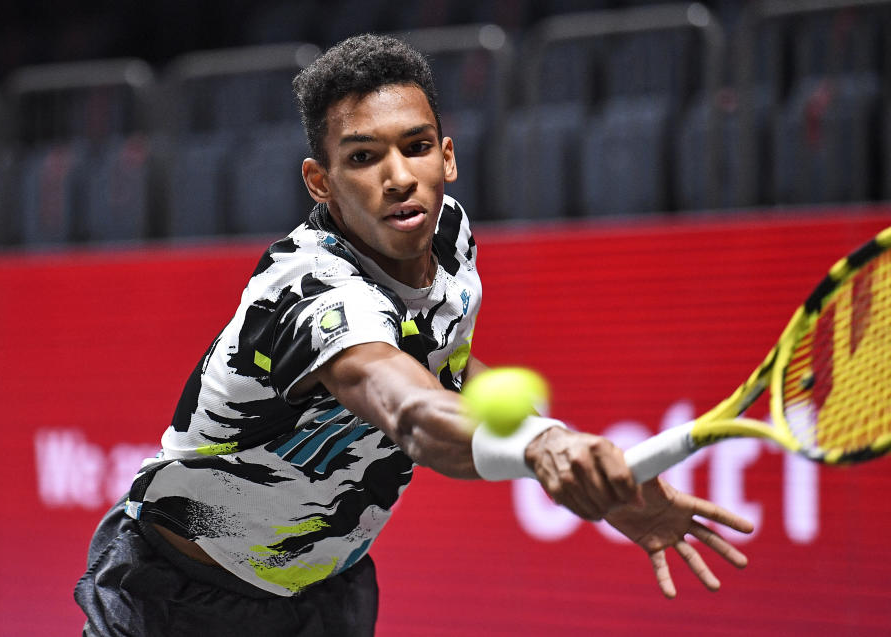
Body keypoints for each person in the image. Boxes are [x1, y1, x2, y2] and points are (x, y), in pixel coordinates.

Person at [75, 34, 753, 636]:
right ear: (322, 182)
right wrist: (542, 447)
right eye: (365, 156)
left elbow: (445, 368)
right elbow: (411, 409)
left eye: (417, 146)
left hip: (326, 590)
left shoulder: (450, 236)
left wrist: (573, 452)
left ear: (447, 156)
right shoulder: (311, 289)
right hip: (179, 596)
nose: (401, 176)